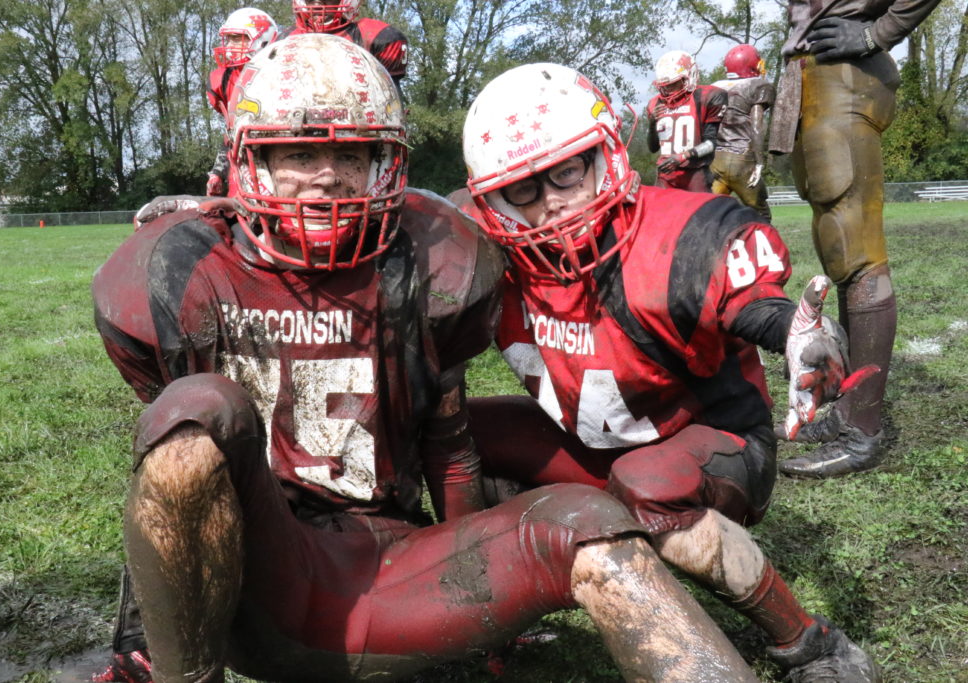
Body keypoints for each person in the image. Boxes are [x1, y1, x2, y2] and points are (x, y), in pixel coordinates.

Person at [90, 34, 760, 683]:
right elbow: (173, 480)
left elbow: (452, 444)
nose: (327, 179)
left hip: (390, 571)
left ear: (388, 160)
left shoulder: (434, 255)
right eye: (295, 151)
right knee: (195, 415)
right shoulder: (181, 267)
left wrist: (488, 591)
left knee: (593, 527)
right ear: (249, 162)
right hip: (254, 589)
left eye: (355, 155)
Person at [460, 62, 880, 682]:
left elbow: (752, 301)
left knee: (647, 483)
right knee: (458, 433)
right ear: (489, 198)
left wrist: (795, 335)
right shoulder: (479, 255)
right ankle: (501, 620)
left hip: (712, 443)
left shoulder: (677, 232)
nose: (551, 203)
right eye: (523, 189)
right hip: (597, 442)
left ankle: (809, 643)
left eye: (567, 172)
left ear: (604, 157)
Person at [767, 0, 942, 478]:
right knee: (838, 249)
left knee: (855, 247)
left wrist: (874, 34)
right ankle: (847, 411)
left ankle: (862, 431)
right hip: (818, 75)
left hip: (847, 75)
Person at [205, 7, 278, 197]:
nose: (229, 46)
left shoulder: (282, 73)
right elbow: (231, 134)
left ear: (262, 39)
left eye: (237, 38)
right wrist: (217, 173)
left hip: (281, 161)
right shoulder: (224, 79)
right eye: (228, 39)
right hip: (245, 165)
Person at [710, 44, 775, 220]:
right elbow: (756, 126)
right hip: (742, 159)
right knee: (760, 215)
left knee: (711, 214)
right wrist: (759, 162)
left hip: (716, 159)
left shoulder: (715, 88)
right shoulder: (757, 85)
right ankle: (763, 247)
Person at [646, 50, 727, 192]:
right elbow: (653, 148)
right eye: (665, 86)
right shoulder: (655, 104)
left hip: (695, 172)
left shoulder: (706, 97)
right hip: (666, 175)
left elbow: (710, 144)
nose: (668, 90)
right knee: (662, 213)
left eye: (674, 84)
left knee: (702, 213)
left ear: (689, 77)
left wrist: (683, 156)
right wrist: (652, 124)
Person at [286, 0, 408, 92]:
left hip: (360, 121)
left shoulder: (377, 37)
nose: (317, 5)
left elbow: (391, 105)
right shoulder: (284, 40)